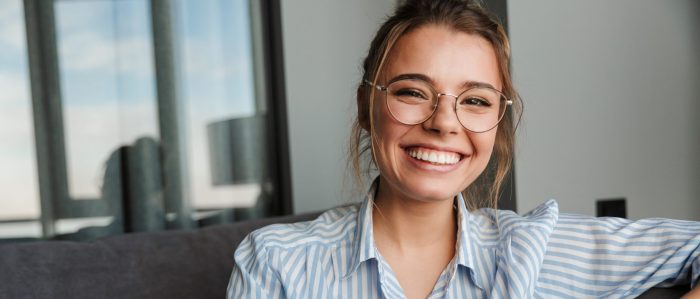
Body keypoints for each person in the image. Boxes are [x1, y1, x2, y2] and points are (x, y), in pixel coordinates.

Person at [227, 1, 700, 298]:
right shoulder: (278, 263)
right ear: (365, 104)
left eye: (475, 101)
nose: (443, 123)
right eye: (413, 92)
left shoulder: (531, 250)